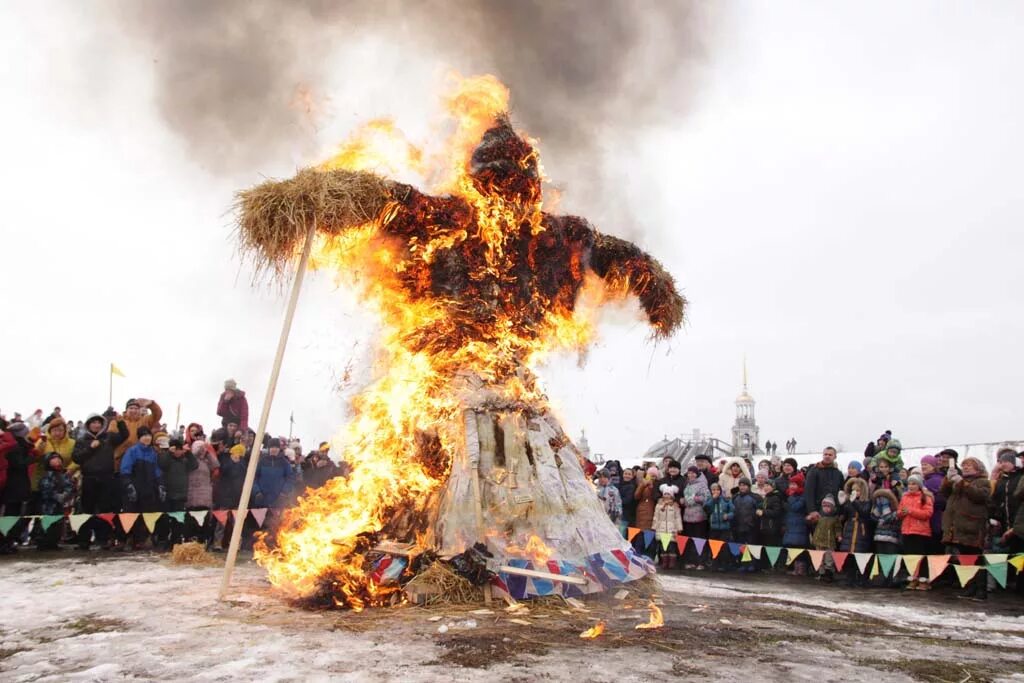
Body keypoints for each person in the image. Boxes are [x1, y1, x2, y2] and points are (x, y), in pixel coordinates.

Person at [73, 414, 129, 550]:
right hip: (89, 478)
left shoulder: (108, 437)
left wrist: (120, 421)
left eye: (99, 423)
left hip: (106, 478)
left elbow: (124, 435)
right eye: (93, 423)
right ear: (88, 425)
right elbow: (76, 458)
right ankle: (84, 540)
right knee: (87, 510)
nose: (96, 425)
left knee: (105, 510)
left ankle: (103, 539)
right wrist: (90, 448)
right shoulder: (82, 440)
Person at [941, 457, 991, 600]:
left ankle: (981, 590)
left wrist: (962, 483)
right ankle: (970, 587)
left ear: (978, 468)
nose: (966, 467)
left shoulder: (983, 481)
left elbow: (980, 496)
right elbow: (944, 493)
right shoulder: (959, 481)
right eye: (964, 465)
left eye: (970, 465)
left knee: (977, 558)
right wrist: (948, 479)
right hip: (958, 526)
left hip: (973, 525)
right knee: (965, 558)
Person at [119, 426, 165, 549]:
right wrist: (128, 485)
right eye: (144, 435)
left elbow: (157, 471)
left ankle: (141, 539)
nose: (147, 438)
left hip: (148, 489)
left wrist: (160, 484)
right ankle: (128, 539)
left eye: (148, 435)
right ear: (139, 438)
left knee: (146, 515)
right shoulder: (132, 451)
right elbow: (125, 469)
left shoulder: (153, 453)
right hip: (134, 487)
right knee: (130, 514)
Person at [156, 437, 197, 549]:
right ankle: (162, 540)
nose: (178, 451)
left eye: (180, 449)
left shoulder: (184, 461)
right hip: (167, 495)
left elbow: (194, 465)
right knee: (165, 519)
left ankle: (175, 541)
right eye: (176, 449)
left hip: (180, 495)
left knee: (178, 520)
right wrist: (169, 452)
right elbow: (162, 464)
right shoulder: (166, 457)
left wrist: (188, 453)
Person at [898, 474, 934, 590]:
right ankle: (913, 578)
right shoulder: (905, 497)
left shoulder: (925, 497)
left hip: (920, 532)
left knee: (921, 557)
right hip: (907, 531)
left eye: (914, 484)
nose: (911, 486)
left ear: (919, 485)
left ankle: (923, 579)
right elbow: (899, 512)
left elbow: (927, 514)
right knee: (910, 557)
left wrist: (910, 511)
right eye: (909, 483)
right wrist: (902, 513)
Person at [837, 477, 872, 587]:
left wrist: (855, 503)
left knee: (859, 556)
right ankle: (849, 578)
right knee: (848, 556)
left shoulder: (867, 502)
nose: (855, 492)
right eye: (853, 490)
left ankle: (861, 578)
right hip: (849, 529)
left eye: (857, 490)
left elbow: (864, 513)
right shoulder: (850, 501)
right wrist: (842, 504)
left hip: (860, 530)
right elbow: (844, 515)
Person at [112, 398, 163, 472]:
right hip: (120, 460)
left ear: (139, 410)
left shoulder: (145, 420)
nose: (133, 410)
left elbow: (157, 415)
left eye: (136, 408)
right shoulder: (117, 421)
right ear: (126, 410)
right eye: (131, 408)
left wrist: (152, 404)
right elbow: (112, 439)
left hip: (140, 460)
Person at [186, 440, 220, 548]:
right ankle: (191, 542)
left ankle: (202, 543)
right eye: (199, 447)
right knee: (192, 521)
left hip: (205, 496)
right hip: (191, 495)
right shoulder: (189, 460)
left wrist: (208, 452)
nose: (201, 449)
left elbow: (216, 465)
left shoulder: (206, 461)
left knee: (204, 522)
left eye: (202, 447)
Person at [37, 453, 73, 550]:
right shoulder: (46, 476)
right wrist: (56, 496)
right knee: (47, 523)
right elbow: (45, 489)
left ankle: (53, 542)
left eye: (58, 459)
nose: (57, 462)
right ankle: (43, 543)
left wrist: (65, 495)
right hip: (48, 505)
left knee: (58, 524)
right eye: (54, 460)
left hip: (60, 505)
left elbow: (69, 486)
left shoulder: (64, 475)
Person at [804, 446, 844, 525]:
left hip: (833, 511)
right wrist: (812, 510)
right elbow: (809, 492)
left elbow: (841, 492)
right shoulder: (814, 471)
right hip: (818, 511)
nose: (827, 456)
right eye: (825, 454)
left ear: (835, 457)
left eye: (830, 455)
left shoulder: (838, 473)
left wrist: (840, 511)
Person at [870, 487, 901, 587]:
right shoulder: (877, 507)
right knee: (882, 559)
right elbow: (874, 517)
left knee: (890, 559)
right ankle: (883, 580)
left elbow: (888, 517)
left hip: (891, 537)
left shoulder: (896, 509)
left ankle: (891, 580)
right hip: (879, 536)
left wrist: (886, 515)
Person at [731, 477, 762, 571]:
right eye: (740, 485)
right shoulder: (735, 497)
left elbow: (760, 510)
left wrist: (754, 521)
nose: (742, 487)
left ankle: (753, 564)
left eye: (744, 485)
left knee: (752, 545)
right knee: (741, 546)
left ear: (748, 486)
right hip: (739, 525)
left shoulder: (755, 497)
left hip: (751, 526)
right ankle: (743, 563)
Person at [681, 466, 709, 569]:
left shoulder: (702, 484)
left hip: (699, 516)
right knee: (689, 540)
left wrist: (696, 498)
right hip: (688, 516)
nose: (691, 475)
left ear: (697, 474)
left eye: (693, 473)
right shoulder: (687, 484)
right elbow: (686, 498)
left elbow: (707, 497)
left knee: (699, 539)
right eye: (689, 473)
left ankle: (701, 562)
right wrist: (683, 500)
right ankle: (691, 561)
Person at [254, 439, 294, 509]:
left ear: (279, 449)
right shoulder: (262, 462)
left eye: (276, 447)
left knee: (276, 519)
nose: (274, 449)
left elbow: (290, 479)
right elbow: (254, 478)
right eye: (272, 447)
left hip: (278, 501)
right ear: (269, 448)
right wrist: (257, 492)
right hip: (262, 500)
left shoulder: (284, 463)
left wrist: (284, 492)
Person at [810, 494, 842, 582]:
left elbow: (838, 528)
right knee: (820, 558)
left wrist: (838, 535)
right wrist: (811, 519)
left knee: (829, 558)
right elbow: (814, 525)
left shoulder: (834, 519)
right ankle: (821, 574)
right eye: (824, 506)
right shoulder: (819, 517)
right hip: (819, 541)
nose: (826, 508)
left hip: (829, 542)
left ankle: (829, 574)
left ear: (832, 507)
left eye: (828, 506)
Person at [782, 473, 808, 575]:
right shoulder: (789, 496)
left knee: (799, 548)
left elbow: (795, 507)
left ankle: (801, 568)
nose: (792, 486)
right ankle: (794, 567)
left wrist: (790, 498)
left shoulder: (802, 496)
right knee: (791, 547)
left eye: (794, 484)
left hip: (799, 525)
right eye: (791, 484)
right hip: (790, 525)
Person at [919, 455, 946, 554]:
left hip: (935, 521)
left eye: (925, 464)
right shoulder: (928, 480)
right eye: (922, 464)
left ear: (933, 466)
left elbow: (940, 501)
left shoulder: (934, 481)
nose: (923, 467)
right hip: (932, 520)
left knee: (934, 552)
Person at [704, 482, 734, 571]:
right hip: (714, 527)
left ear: (720, 491)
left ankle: (724, 564)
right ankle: (715, 563)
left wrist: (728, 516)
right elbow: (706, 508)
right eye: (713, 490)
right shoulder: (709, 500)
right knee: (714, 546)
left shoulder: (726, 500)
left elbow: (733, 511)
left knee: (724, 547)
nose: (715, 491)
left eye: (717, 490)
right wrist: (713, 500)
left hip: (725, 528)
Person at [652, 484, 683, 570]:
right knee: (663, 547)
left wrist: (679, 527)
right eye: (665, 494)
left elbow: (677, 517)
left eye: (668, 494)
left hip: (671, 529)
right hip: (661, 528)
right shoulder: (659, 505)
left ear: (672, 496)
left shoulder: (675, 506)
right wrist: (654, 526)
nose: (666, 496)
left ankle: (672, 562)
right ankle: (664, 562)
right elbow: (656, 517)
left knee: (671, 547)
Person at [633, 466, 658, 557]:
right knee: (640, 536)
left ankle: (649, 556)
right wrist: (643, 485)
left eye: (654, 476)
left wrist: (652, 488)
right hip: (642, 512)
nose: (652, 478)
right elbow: (636, 496)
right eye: (650, 475)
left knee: (650, 537)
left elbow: (656, 497)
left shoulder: (657, 485)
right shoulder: (642, 484)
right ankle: (638, 555)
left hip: (653, 512)